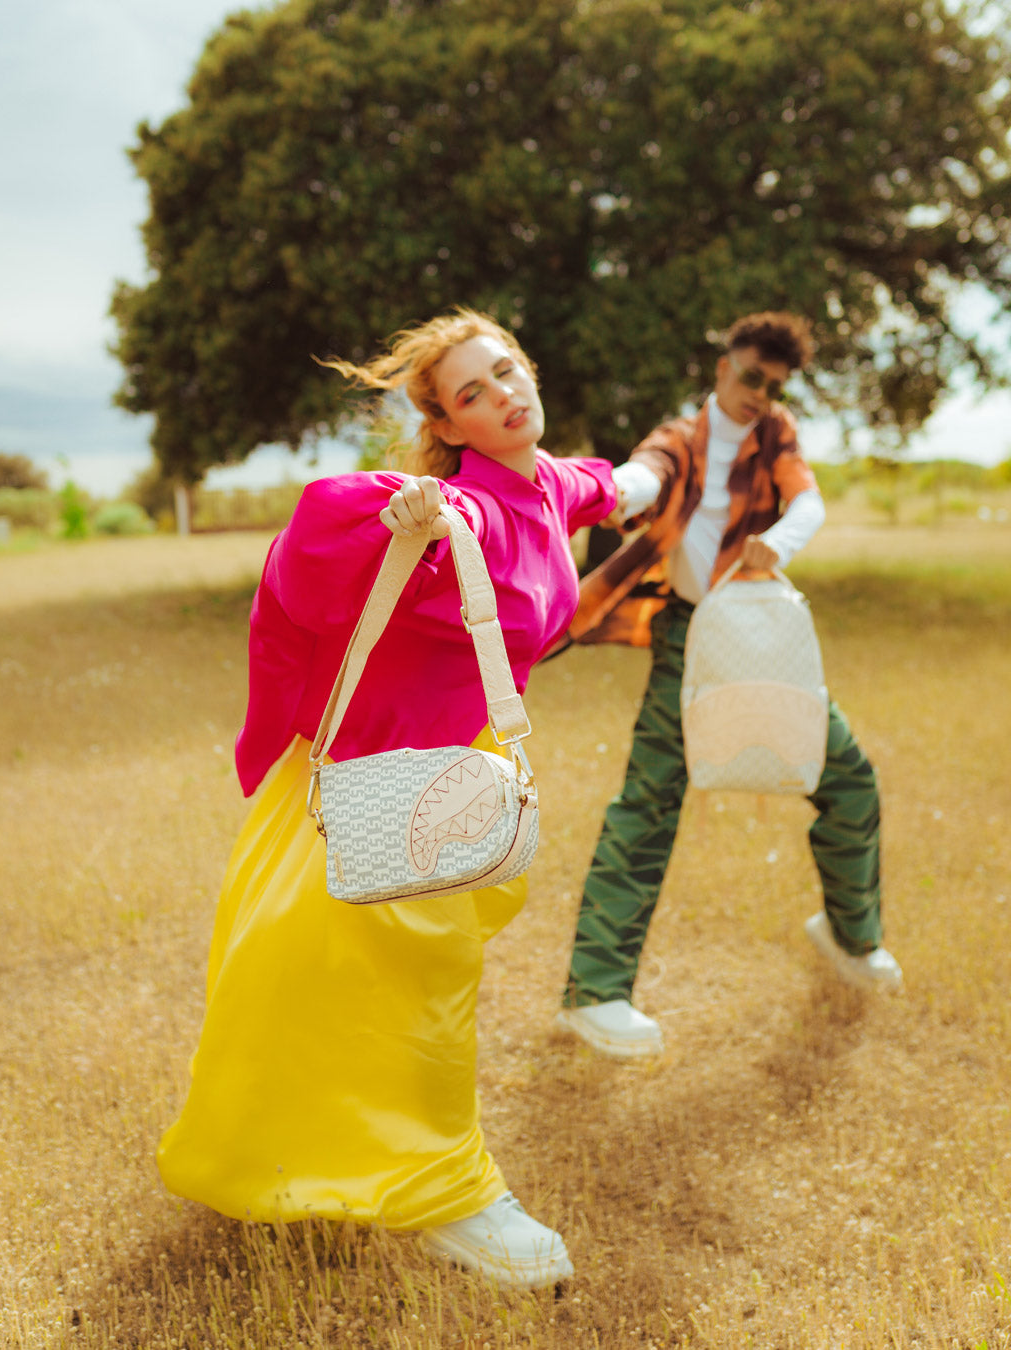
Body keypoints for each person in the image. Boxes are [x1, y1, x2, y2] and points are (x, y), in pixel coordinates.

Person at [157, 308, 630, 1287]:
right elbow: (330, 522)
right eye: (472, 393)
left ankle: (327, 1164)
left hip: (451, 771)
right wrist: (405, 508)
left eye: (507, 371)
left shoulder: (551, 485)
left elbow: (612, 483)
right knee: (390, 988)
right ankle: (446, 1194)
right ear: (449, 426)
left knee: (363, 989)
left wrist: (670, 460)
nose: (503, 395)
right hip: (379, 775)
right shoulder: (465, 509)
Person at [555, 311, 904, 1061]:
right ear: (723, 369)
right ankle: (595, 993)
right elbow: (645, 475)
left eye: (774, 386)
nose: (760, 394)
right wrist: (617, 490)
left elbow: (808, 500)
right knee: (648, 804)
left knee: (848, 780)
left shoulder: (775, 436)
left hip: (757, 635)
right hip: (687, 640)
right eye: (751, 377)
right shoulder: (680, 438)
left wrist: (775, 544)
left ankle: (850, 935)